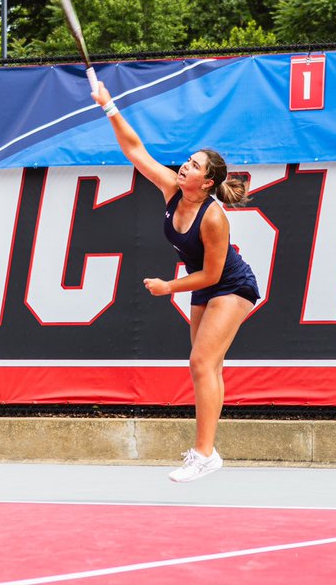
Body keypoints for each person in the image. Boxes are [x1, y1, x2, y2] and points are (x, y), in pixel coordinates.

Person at [93, 82, 260, 483]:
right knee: (207, 366)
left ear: (207, 182)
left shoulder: (213, 218)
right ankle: (208, 452)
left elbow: (214, 275)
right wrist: (109, 105)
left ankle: (204, 454)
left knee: (201, 362)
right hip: (203, 286)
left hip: (232, 286)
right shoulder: (171, 189)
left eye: (195, 165)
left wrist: (168, 286)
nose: (186, 166)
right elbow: (135, 151)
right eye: (188, 161)